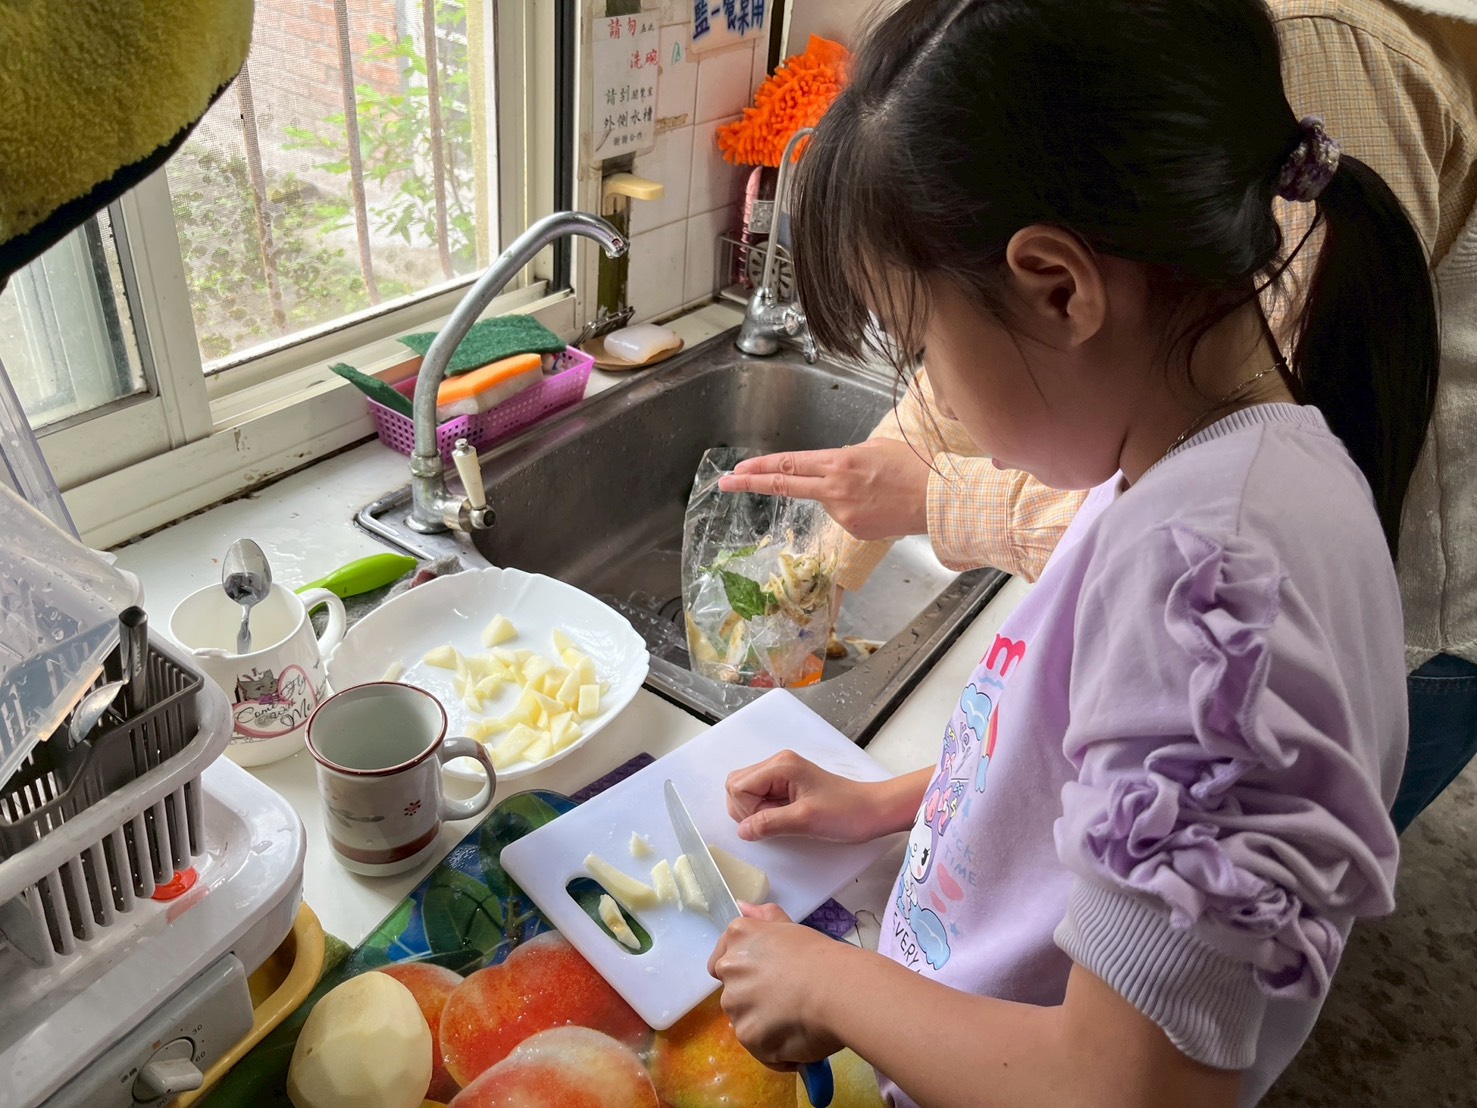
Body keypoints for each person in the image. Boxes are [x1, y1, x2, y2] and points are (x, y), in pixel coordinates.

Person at [705, 1, 1438, 1105]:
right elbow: (1090, 777)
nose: (935, 392)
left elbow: (1128, 1087)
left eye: (922, 343)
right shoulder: (1212, 472)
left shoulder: (1207, 584)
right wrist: (885, 802)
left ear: (1058, 288)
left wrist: (828, 982)